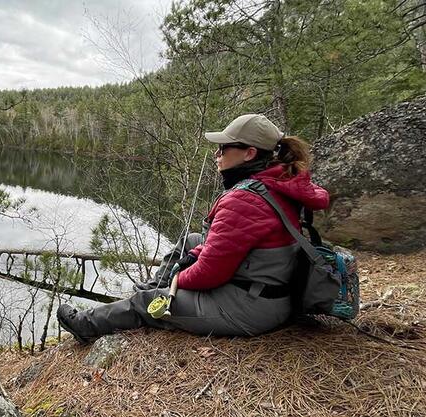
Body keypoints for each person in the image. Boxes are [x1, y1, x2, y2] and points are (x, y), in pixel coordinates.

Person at [57, 114, 330, 343]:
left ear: (249, 153)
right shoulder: (278, 181)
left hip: (250, 308)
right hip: (271, 288)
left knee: (146, 303)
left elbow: (209, 275)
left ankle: (85, 326)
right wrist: (196, 253)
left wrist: (179, 276)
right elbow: (224, 242)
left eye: (224, 148)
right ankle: (151, 286)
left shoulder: (245, 200)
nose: (217, 154)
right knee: (192, 241)